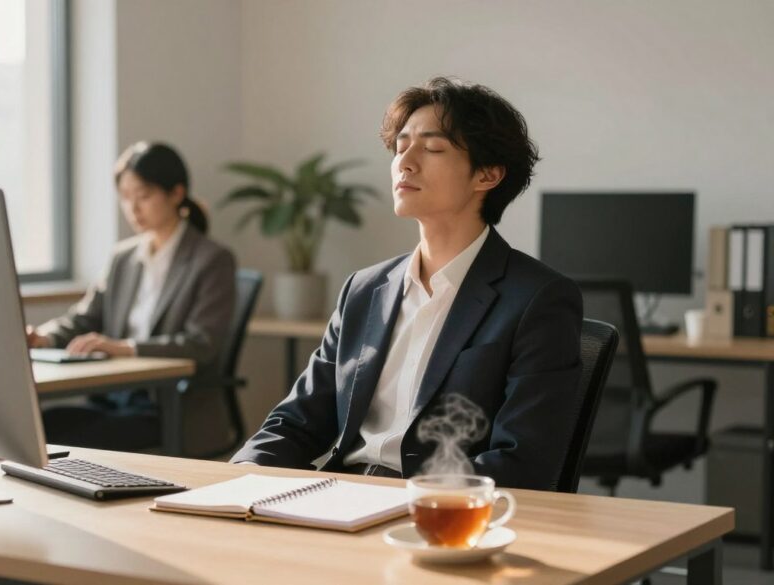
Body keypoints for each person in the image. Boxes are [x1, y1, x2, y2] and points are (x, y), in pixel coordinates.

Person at [231, 77, 583, 490]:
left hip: (439, 510)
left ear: (487, 175)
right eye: (400, 147)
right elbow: (295, 422)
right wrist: (235, 481)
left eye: (432, 149)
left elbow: (522, 461)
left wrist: (409, 500)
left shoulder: (537, 299)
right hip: (340, 497)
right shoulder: (364, 289)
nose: (405, 162)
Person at [30, 141, 237, 451]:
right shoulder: (123, 257)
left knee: (60, 439)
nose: (132, 208)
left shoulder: (211, 259)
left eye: (143, 196)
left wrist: (124, 348)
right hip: (112, 398)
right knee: (41, 425)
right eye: (125, 197)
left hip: (168, 409)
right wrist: (44, 338)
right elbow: (85, 318)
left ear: (176, 193)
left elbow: (201, 343)